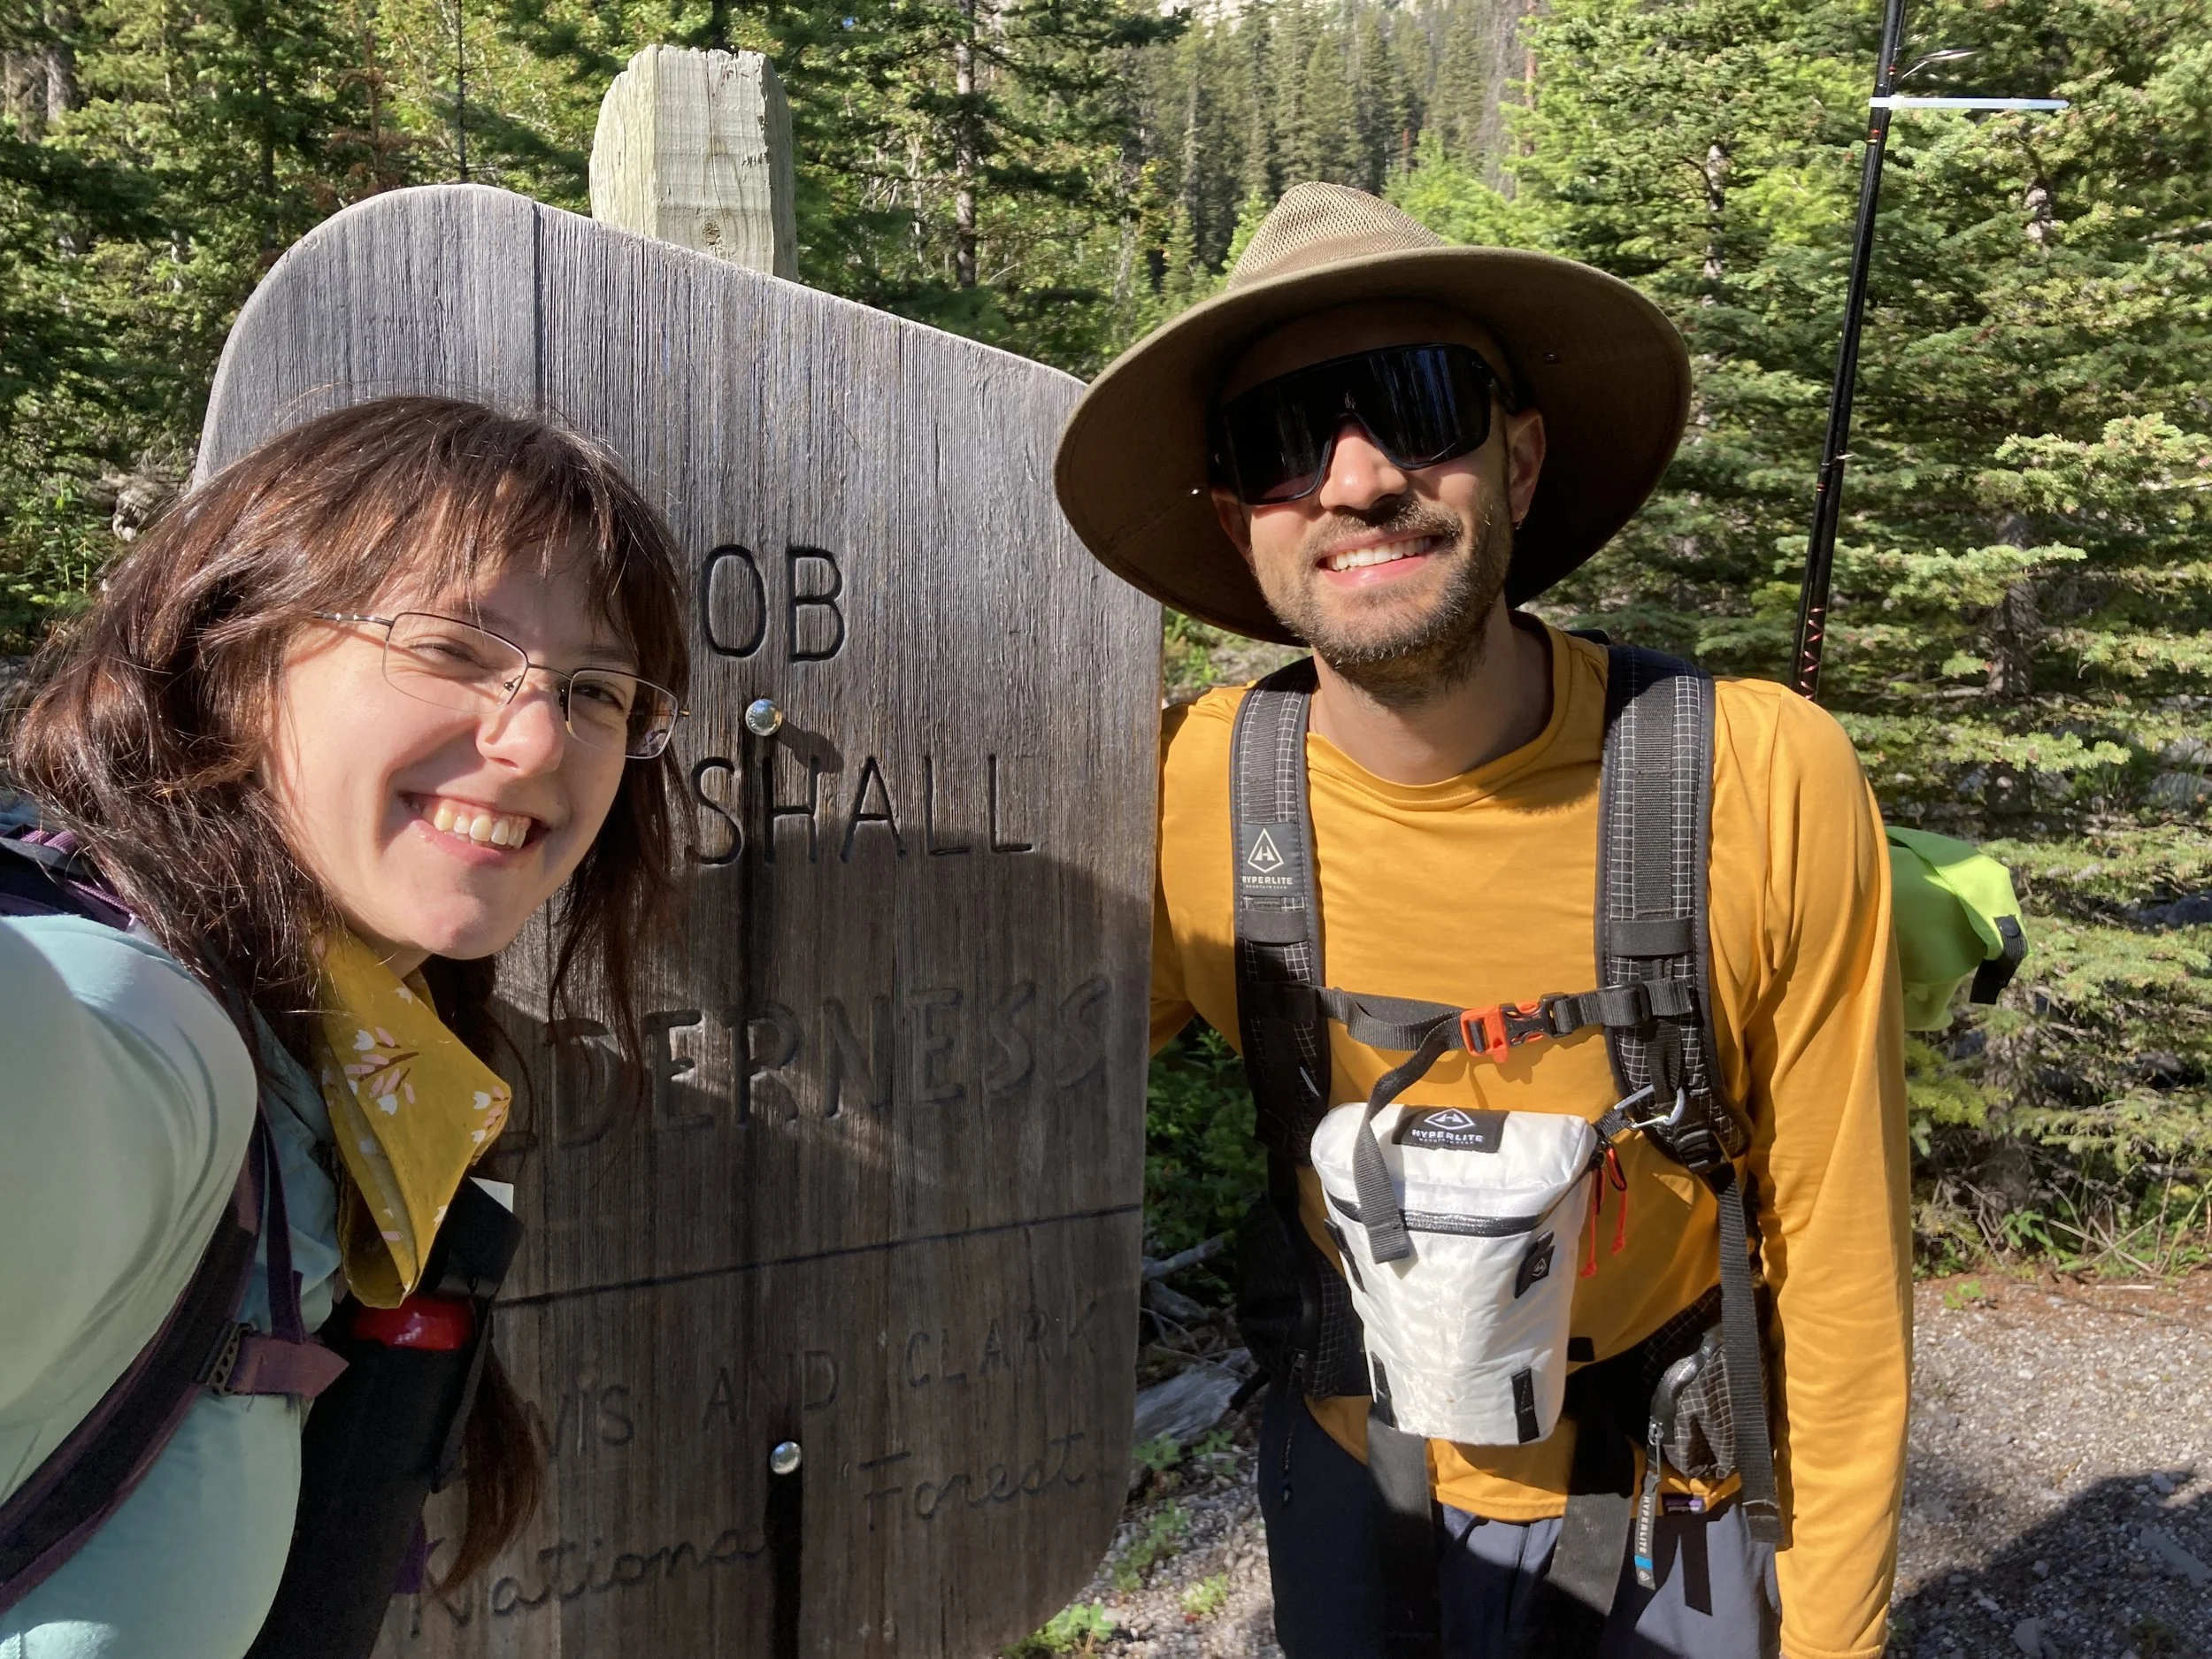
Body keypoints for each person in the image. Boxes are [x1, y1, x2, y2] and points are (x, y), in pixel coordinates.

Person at [1055, 184, 1910, 1657]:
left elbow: (1837, 1260)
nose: (1358, 474)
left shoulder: (1760, 776)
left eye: (1417, 402)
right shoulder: (1176, 793)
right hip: (1342, 1472)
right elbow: (987, 1090)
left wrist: (1837, 1634)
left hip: (1664, 1485)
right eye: (1280, 439)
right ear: (1233, 520)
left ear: (1518, 452)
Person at [0, 396, 690, 1657]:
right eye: (451, 649)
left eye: (595, 689)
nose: (535, 739)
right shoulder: (151, 1037)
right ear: (230, 653)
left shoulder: (356, 1070)